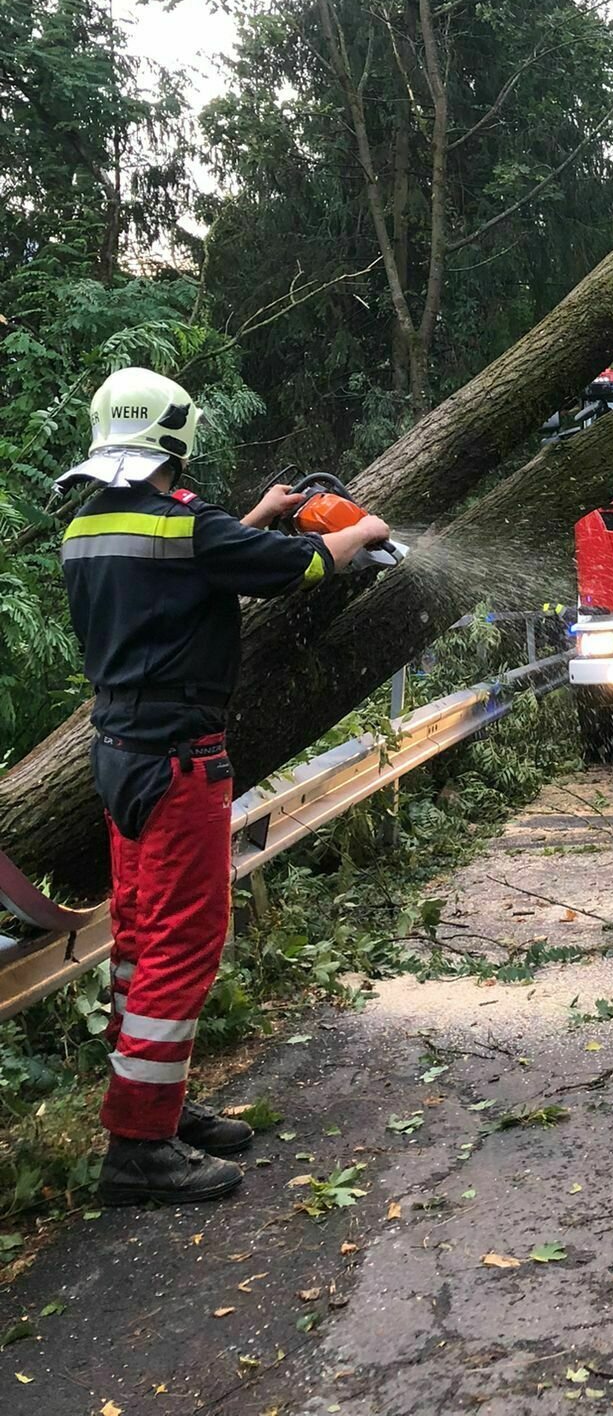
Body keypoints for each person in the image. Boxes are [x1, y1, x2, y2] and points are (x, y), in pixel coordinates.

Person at [56, 367, 394, 1208]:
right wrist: (369, 529)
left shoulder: (92, 527)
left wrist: (254, 516)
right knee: (183, 941)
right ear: (178, 434)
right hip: (177, 764)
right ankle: (138, 1148)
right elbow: (305, 566)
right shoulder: (186, 529)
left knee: (140, 936)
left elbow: (185, 568)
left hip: (121, 754)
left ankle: (153, 1108)